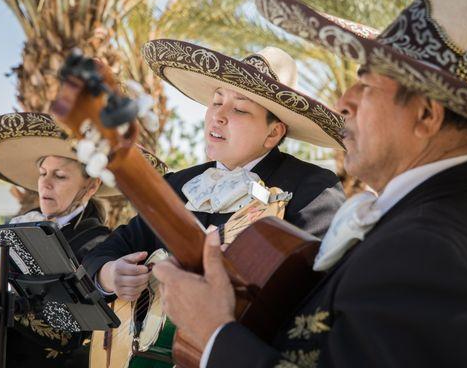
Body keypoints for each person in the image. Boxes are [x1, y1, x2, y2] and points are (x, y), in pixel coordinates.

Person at [153, 0, 467, 368]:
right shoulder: (462, 215)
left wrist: (214, 332)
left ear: (426, 115)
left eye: (366, 85)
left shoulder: (432, 250)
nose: (343, 102)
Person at [83, 43, 346, 302]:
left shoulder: (313, 189)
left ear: (273, 133)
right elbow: (109, 250)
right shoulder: (176, 184)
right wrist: (110, 275)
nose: (217, 116)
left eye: (240, 109)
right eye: (217, 101)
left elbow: (311, 284)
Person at [0, 112, 166, 368]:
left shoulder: (98, 245)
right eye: (42, 174)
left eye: (60, 176)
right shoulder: (23, 225)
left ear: (92, 186)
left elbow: (66, 335)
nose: (45, 184)